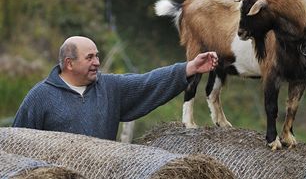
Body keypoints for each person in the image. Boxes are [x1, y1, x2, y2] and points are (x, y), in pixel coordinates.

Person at [12, 36, 218, 140]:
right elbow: (17, 144)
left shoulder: (110, 88)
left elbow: (148, 82)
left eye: (97, 55)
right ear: (69, 63)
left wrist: (190, 67)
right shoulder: (40, 97)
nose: (97, 62)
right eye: (89, 57)